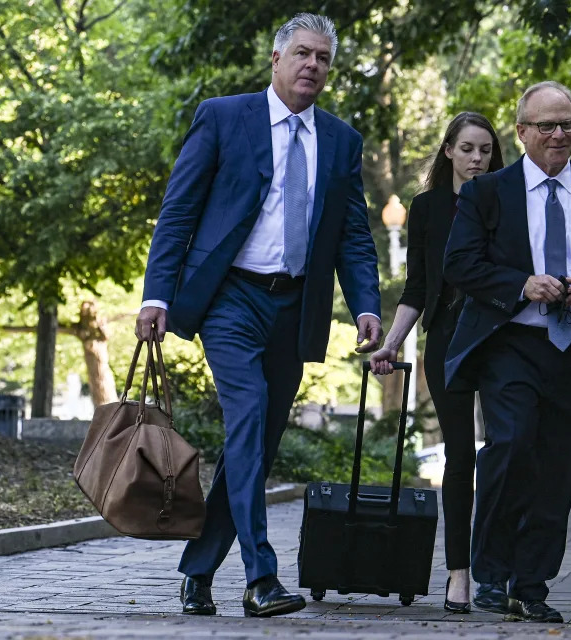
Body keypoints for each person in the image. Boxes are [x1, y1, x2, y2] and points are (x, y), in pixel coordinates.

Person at [135, 13, 382, 619]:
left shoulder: (341, 142)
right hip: (231, 300)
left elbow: (353, 234)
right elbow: (179, 211)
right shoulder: (224, 117)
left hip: (294, 308)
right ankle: (260, 576)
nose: (312, 66)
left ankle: (197, 572)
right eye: (302, 53)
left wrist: (367, 306)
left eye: (323, 58)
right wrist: (156, 295)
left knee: (258, 445)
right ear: (275, 59)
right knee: (246, 423)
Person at [441, 81, 571, 623]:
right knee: (510, 446)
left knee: (557, 468)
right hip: (511, 344)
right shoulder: (488, 193)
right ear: (523, 131)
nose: (559, 134)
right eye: (547, 125)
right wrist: (521, 284)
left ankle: (531, 584)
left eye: (568, 124)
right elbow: (459, 263)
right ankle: (490, 574)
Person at [369, 112, 503, 613]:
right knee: (460, 455)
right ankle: (458, 574)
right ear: (448, 150)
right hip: (448, 339)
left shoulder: (505, 200)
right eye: (467, 148)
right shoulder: (425, 209)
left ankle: (498, 568)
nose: (476, 159)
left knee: (504, 452)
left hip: (500, 338)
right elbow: (418, 289)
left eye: (485, 151)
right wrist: (391, 342)